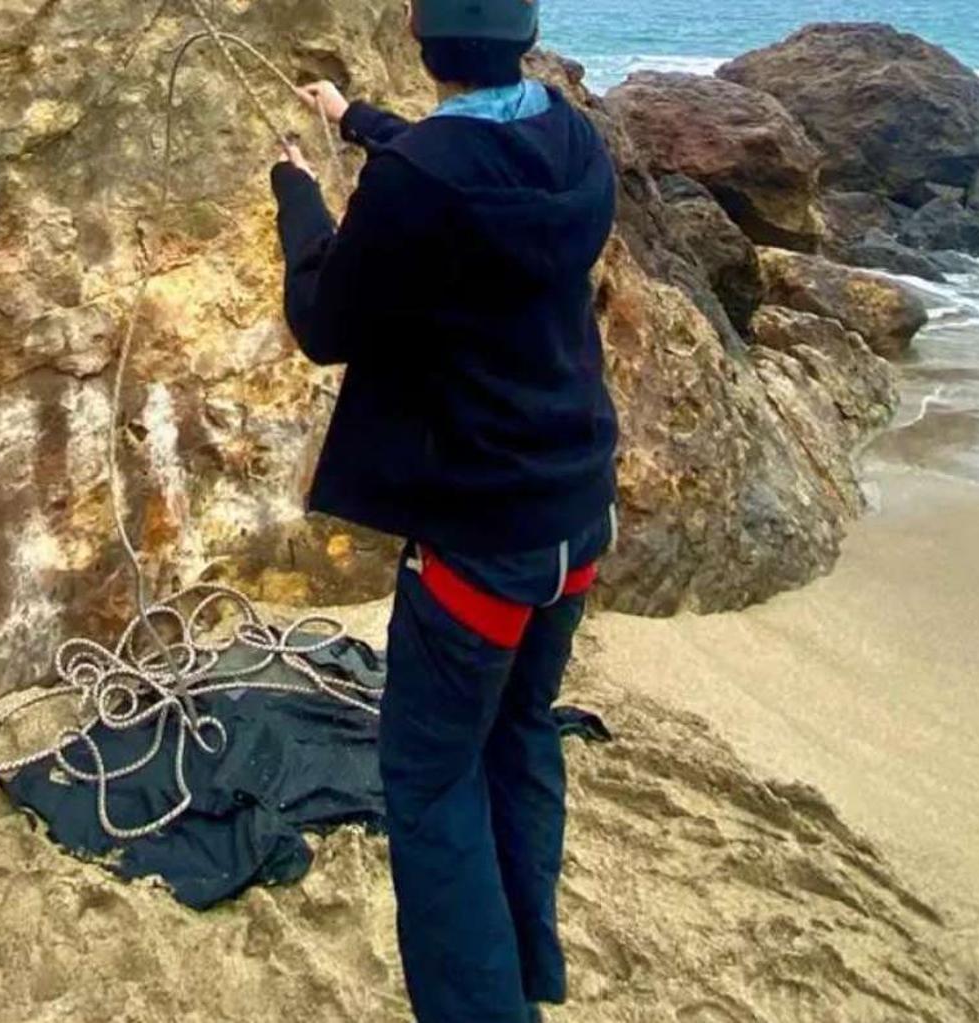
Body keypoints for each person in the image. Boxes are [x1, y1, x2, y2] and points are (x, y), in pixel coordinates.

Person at [267, 1, 619, 1020]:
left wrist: (296, 197)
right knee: (520, 732)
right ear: (521, 36)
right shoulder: (568, 137)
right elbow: (464, 163)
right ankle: (528, 973)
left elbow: (326, 322)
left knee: (426, 783)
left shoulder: (420, 181)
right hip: (573, 512)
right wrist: (357, 119)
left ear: (424, 40)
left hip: (477, 540)